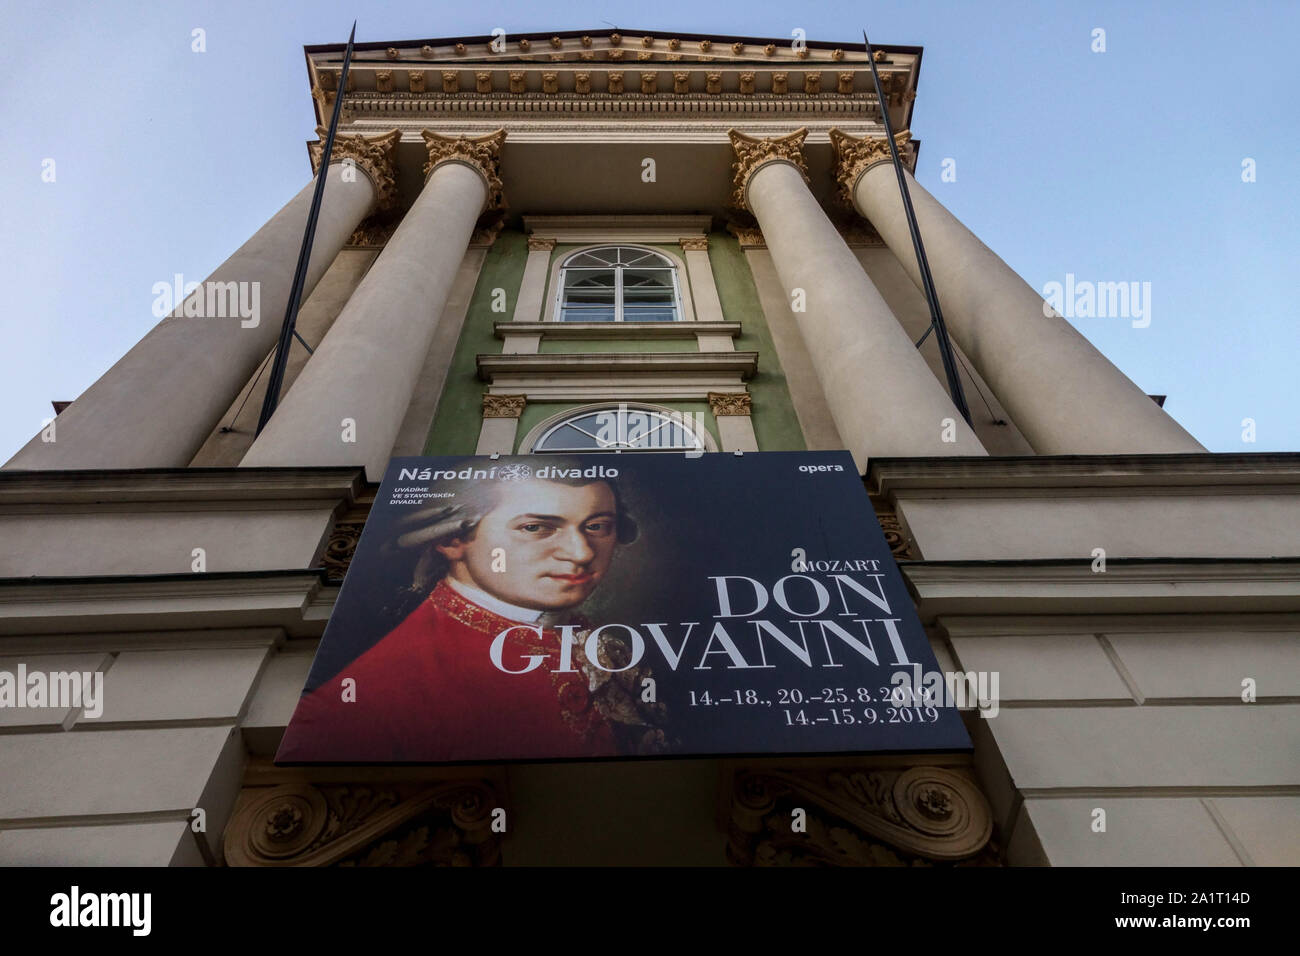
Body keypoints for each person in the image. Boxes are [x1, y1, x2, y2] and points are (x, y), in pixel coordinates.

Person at [276, 461, 670, 763]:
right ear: (451, 539)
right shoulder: (365, 700)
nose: (582, 554)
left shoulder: (598, 637)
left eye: (598, 526)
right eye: (536, 528)